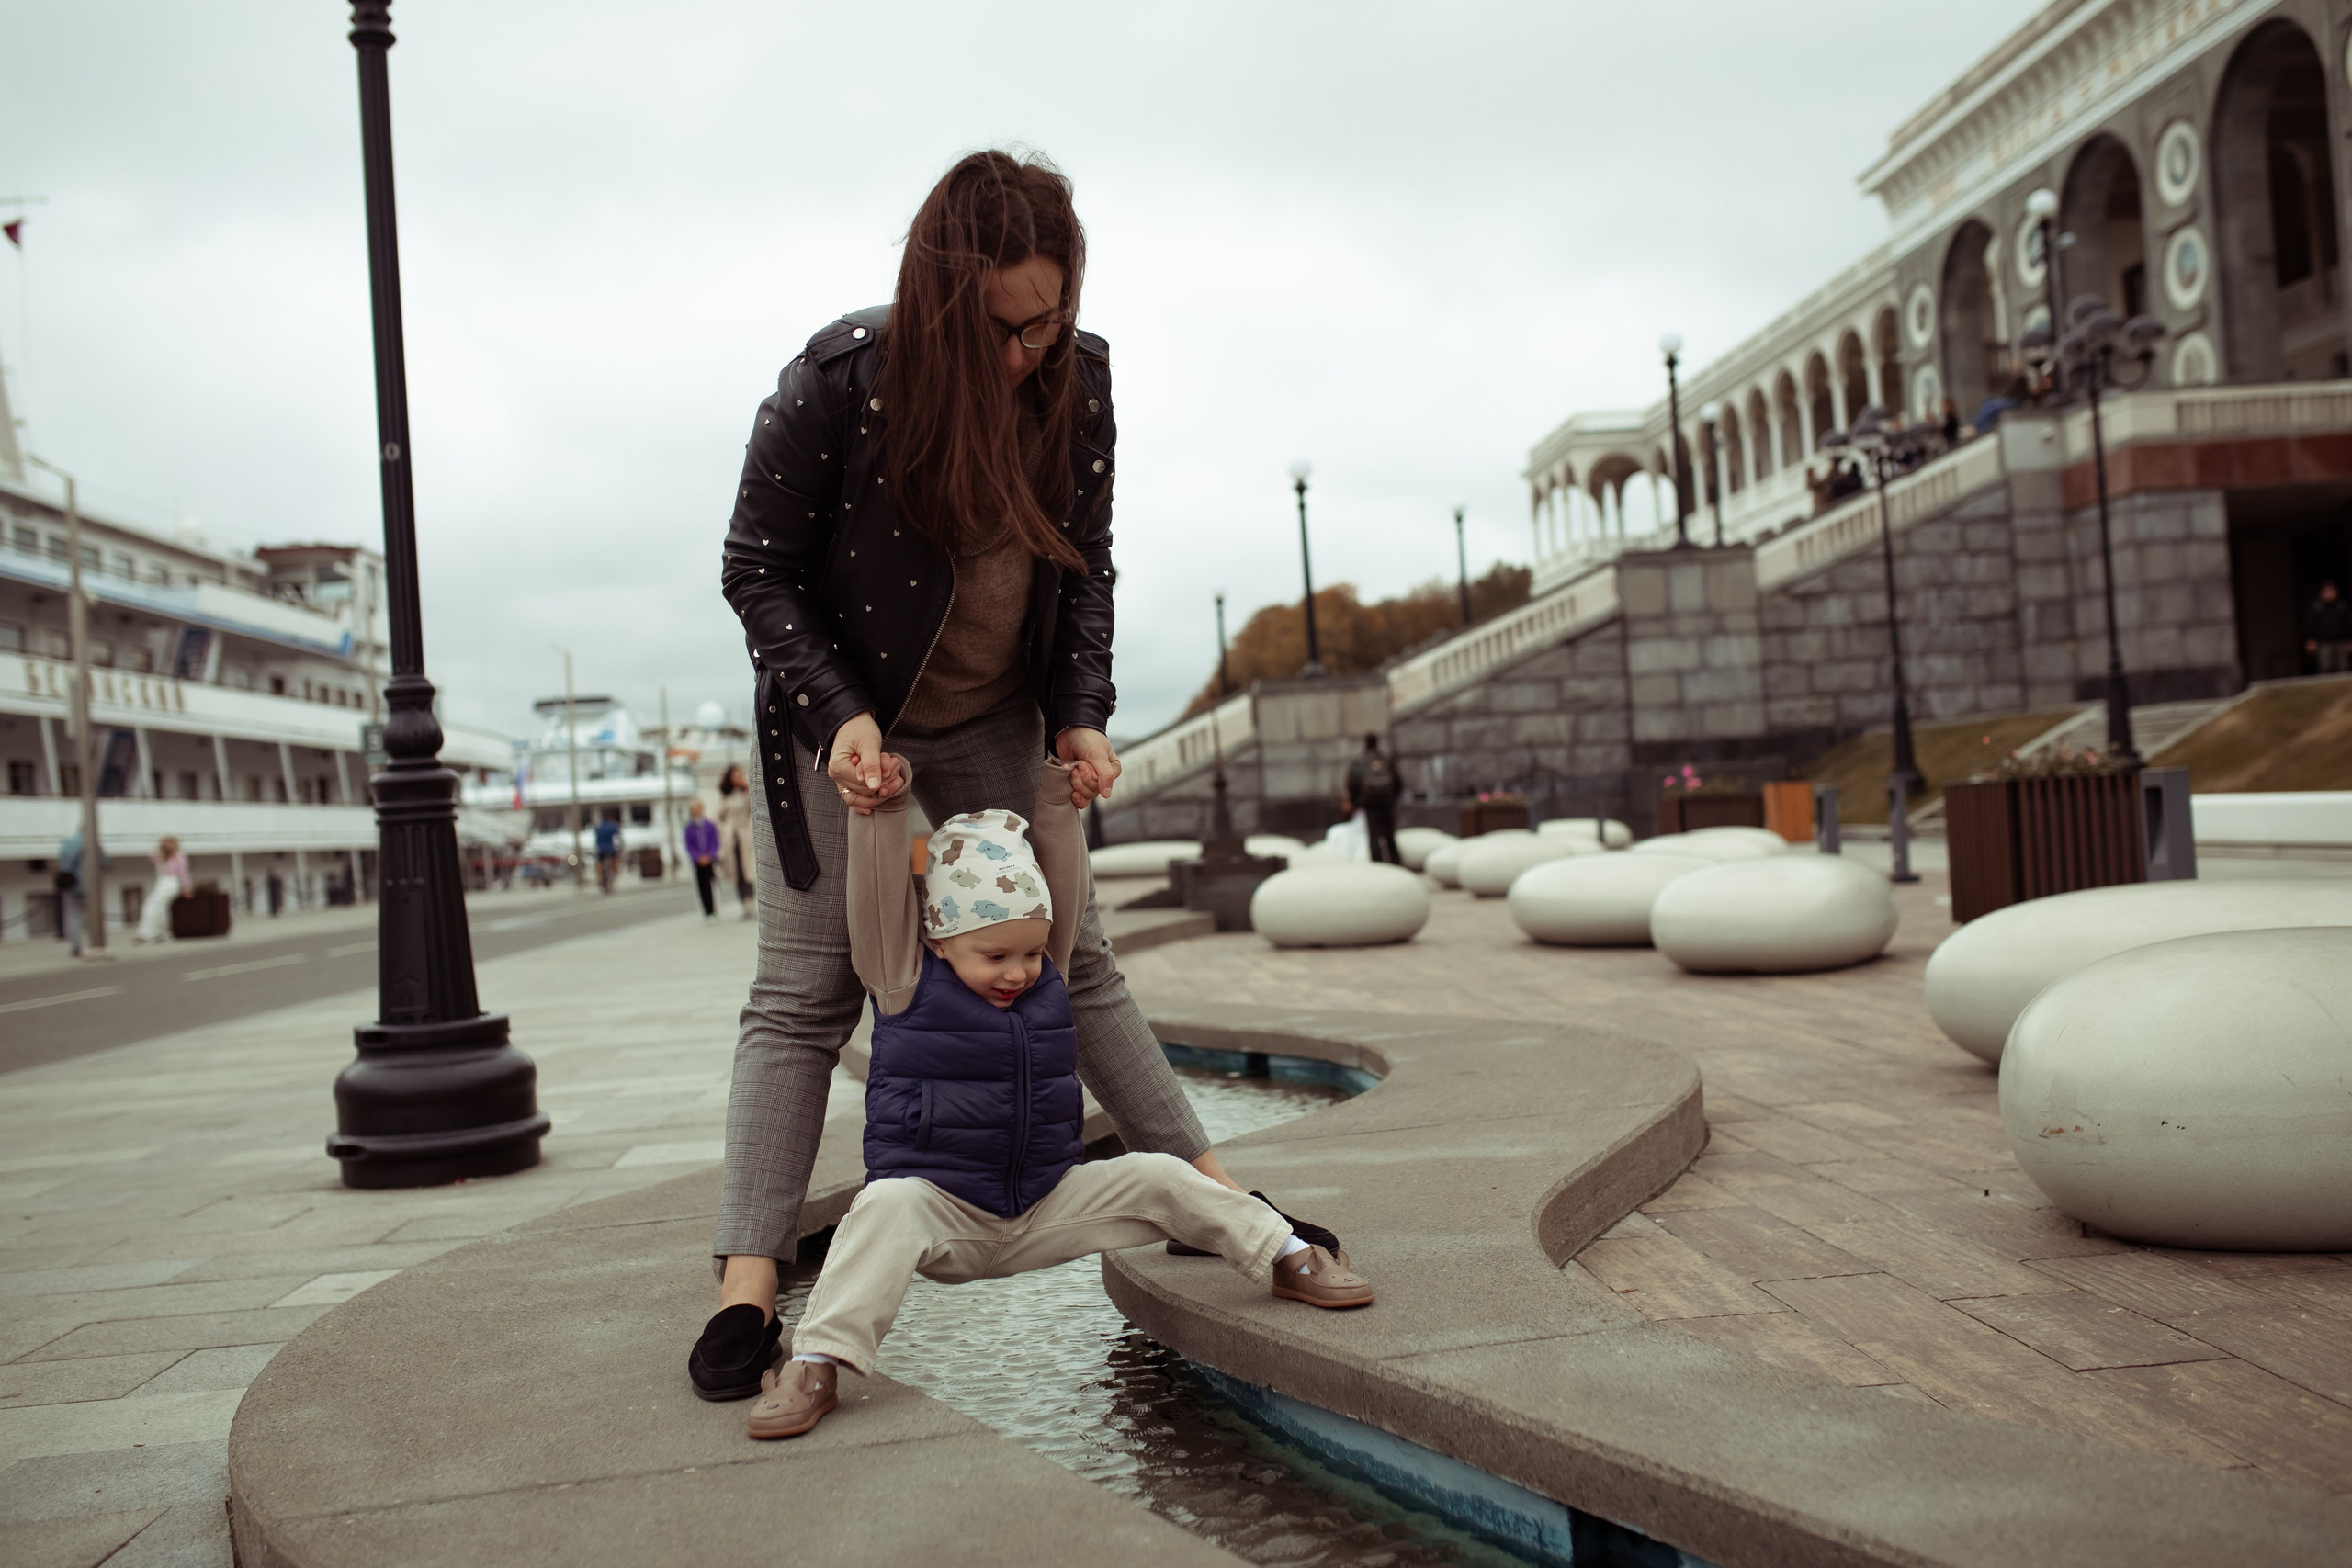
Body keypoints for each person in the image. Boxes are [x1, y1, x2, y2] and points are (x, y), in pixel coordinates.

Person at [693, 149, 1348, 1401]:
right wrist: (839, 713)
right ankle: (747, 1282)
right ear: (939, 305)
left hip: (994, 708)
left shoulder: (1077, 380)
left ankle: (1216, 1190)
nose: (1026, 353)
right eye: (1000, 327)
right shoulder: (837, 384)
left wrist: (1079, 714)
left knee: (1073, 951)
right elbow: (755, 570)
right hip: (849, 715)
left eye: (1049, 319)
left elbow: (1085, 566)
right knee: (804, 989)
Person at [736, 762, 1372, 1438]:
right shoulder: (900, 980)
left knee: (1157, 1172)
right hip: (943, 1215)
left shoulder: (1046, 980)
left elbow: (1064, 886)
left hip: (1048, 1203)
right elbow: (872, 894)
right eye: (996, 954)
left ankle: (1286, 1254)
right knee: (882, 1204)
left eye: (1032, 953)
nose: (1018, 971)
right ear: (939, 939)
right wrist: (882, 812)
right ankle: (815, 1363)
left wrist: (1055, 802)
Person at [1344, 733, 1400, 865]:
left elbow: (1352, 783)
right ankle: (1396, 863)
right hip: (1387, 803)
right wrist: (1392, 799)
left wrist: (1356, 802)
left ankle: (1378, 864)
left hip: (1370, 804)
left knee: (1374, 835)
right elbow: (1398, 782)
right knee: (1389, 834)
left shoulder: (1359, 761)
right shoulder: (1385, 759)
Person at [714, 764, 756, 919]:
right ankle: (744, 903)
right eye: (736, 775)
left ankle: (750, 900)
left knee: (748, 870)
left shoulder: (747, 794)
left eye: (741, 775)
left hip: (745, 836)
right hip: (731, 838)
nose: (739, 778)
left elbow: (755, 808)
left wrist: (748, 789)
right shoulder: (726, 797)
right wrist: (725, 829)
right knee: (737, 871)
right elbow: (718, 817)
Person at [134, 835, 188, 943]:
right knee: (162, 909)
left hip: (171, 883)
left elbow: (183, 874)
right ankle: (159, 933)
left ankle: (145, 934)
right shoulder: (162, 856)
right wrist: (160, 847)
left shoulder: (179, 858)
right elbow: (151, 857)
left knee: (152, 905)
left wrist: (186, 888)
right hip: (162, 882)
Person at [684, 798, 720, 921]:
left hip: (710, 860)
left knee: (712, 885)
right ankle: (707, 912)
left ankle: (715, 909)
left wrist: (710, 855)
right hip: (698, 862)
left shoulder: (710, 825)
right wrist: (697, 857)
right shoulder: (689, 827)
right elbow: (689, 845)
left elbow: (714, 841)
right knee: (702, 886)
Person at [2306, 580, 2350, 674]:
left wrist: (2350, 640)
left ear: (2336, 592)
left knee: (2344, 667)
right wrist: (2311, 639)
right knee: (2325, 667)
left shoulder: (2342, 606)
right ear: (2322, 593)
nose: (2329, 594)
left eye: (2331, 591)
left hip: (2341, 641)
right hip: (2324, 643)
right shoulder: (2317, 608)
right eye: (2326, 591)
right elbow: (2311, 625)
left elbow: (2348, 623)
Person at [593, 815, 623, 894]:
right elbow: (618, 838)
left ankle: (599, 876)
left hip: (600, 849)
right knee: (615, 860)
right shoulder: (613, 827)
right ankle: (615, 871)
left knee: (599, 862)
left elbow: (596, 840)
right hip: (610, 848)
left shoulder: (598, 828)